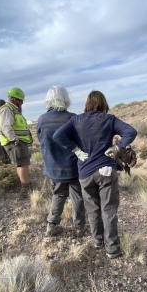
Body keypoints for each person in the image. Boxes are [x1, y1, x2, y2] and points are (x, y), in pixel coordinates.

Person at [53, 90, 137, 259]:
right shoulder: (109, 119)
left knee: (92, 209)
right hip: (106, 170)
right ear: (103, 103)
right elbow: (131, 131)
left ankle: (98, 241)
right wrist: (118, 147)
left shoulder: (76, 120)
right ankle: (112, 249)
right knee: (109, 209)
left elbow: (57, 135)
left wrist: (75, 150)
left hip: (85, 172)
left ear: (88, 103)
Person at [37, 86, 86, 237]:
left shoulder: (42, 119)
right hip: (73, 168)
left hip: (53, 168)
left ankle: (52, 226)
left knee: (58, 194)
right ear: (65, 99)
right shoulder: (73, 118)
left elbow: (41, 141)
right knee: (77, 196)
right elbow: (82, 142)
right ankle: (79, 228)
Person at [0, 87, 33, 198]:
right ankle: (25, 189)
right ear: (16, 99)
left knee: (21, 164)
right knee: (23, 164)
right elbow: (6, 126)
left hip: (16, 142)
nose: (22, 103)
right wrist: (15, 139)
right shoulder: (7, 109)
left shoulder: (12, 109)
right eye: (21, 101)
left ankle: (26, 184)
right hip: (14, 142)